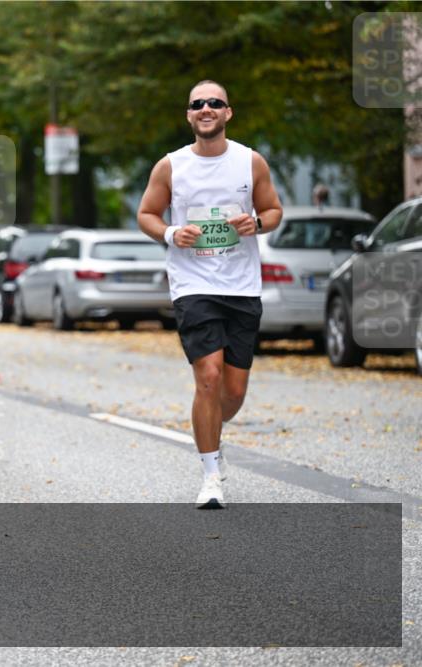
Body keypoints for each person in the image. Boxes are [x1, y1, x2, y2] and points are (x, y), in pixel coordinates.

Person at [137, 80, 283, 509]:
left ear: (227, 113)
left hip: (241, 286)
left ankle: (213, 433)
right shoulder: (171, 166)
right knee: (209, 376)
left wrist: (257, 223)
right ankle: (210, 475)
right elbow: (147, 213)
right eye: (197, 104)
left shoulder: (250, 162)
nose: (206, 108)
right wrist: (170, 233)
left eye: (214, 103)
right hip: (193, 284)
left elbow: (274, 210)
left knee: (232, 392)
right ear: (189, 115)